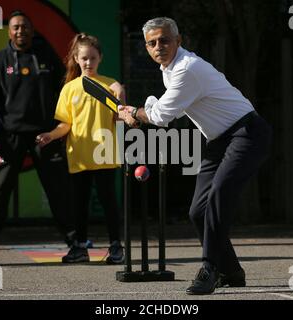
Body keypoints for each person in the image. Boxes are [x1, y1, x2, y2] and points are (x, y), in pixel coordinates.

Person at [118, 17, 272, 294]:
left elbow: (162, 116)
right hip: (219, 140)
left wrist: (135, 115)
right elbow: (168, 109)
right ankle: (232, 272)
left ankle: (209, 268)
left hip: (247, 134)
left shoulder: (187, 68)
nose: (159, 46)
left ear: (179, 41)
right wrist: (138, 112)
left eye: (165, 40)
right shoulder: (170, 68)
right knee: (198, 211)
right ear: (146, 47)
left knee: (219, 196)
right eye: (152, 43)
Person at [0, 11, 74, 250]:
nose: (20, 31)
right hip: (9, 136)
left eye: (25, 27)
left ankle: (74, 237)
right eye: (15, 27)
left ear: (32, 31)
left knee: (58, 187)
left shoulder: (47, 56)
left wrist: (64, 124)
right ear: (9, 32)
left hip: (44, 135)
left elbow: (65, 90)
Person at [36, 33, 125, 264]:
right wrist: (50, 135)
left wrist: (120, 92)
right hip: (78, 155)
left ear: (100, 58)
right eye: (84, 58)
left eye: (93, 58)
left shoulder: (110, 85)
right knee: (79, 205)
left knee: (109, 203)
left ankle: (116, 247)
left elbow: (120, 117)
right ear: (76, 58)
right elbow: (66, 124)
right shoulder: (70, 89)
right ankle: (79, 248)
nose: (88, 62)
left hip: (104, 153)